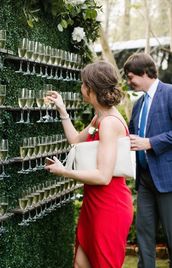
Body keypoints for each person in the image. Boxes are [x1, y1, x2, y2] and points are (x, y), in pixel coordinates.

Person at [45, 60, 133, 268]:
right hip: (93, 203)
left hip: (109, 206)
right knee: (80, 264)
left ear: (91, 88)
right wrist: (62, 111)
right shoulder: (99, 118)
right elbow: (75, 140)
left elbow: (103, 176)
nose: (81, 87)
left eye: (83, 83)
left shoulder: (110, 123)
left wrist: (64, 171)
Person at [124, 52, 172, 268]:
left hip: (168, 180)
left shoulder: (170, 93)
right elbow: (131, 137)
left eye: (130, 76)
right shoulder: (138, 104)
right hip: (144, 181)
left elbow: (145, 140)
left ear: (144, 73)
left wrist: (150, 142)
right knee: (144, 239)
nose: (128, 81)